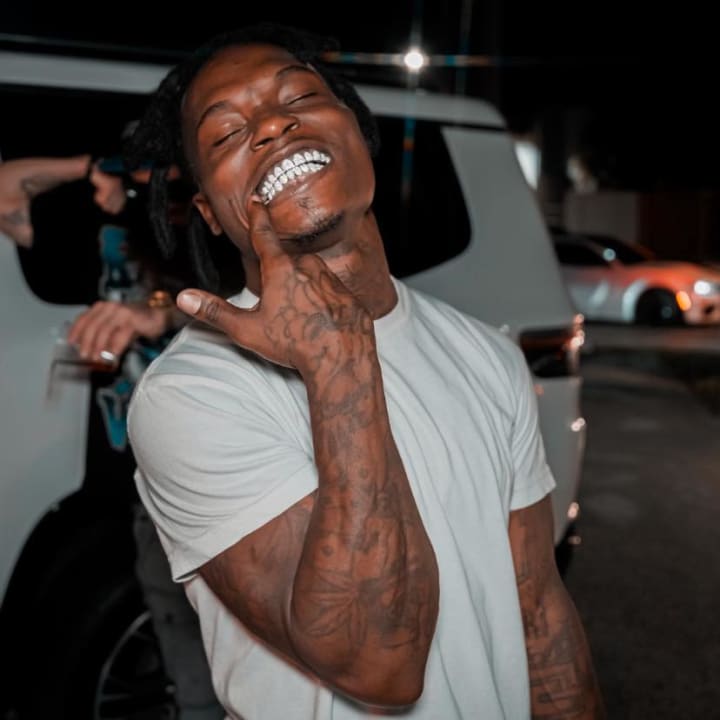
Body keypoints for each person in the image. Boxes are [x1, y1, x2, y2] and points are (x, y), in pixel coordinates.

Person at [125, 22, 606, 719]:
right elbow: (379, 665)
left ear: (357, 131)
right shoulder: (191, 396)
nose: (272, 127)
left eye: (300, 97)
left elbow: (539, 616)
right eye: (226, 134)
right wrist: (339, 362)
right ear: (210, 214)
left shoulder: (487, 355)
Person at [0, 151, 225, 719]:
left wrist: (159, 312)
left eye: (163, 170)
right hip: (132, 483)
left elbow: (256, 309)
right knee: (182, 658)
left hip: (208, 479)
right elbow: (5, 193)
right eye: (138, 171)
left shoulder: (213, 228)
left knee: (238, 655)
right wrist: (89, 167)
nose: (149, 185)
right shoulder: (100, 229)